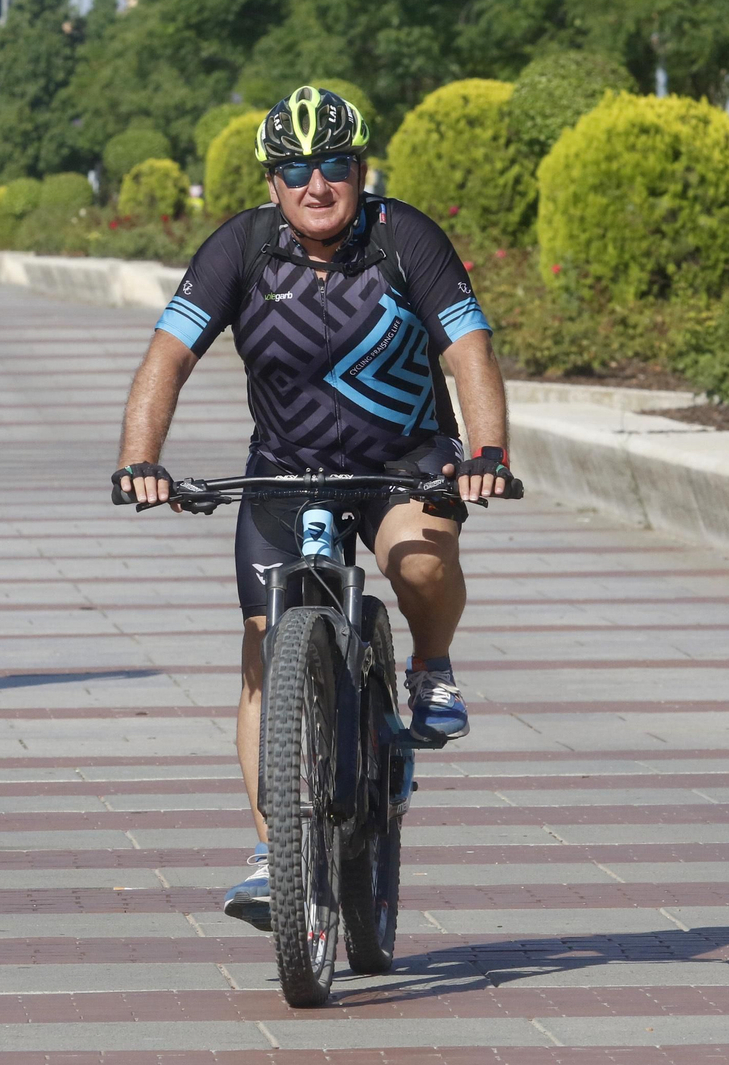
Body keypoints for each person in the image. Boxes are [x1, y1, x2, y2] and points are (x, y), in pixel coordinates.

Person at [113, 86, 519, 928]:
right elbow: (167, 356)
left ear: (360, 170)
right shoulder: (242, 247)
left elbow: (468, 347)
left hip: (402, 460)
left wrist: (485, 453)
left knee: (417, 559)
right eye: (295, 168)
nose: (316, 183)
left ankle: (430, 665)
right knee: (265, 647)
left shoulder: (406, 237)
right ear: (272, 183)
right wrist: (139, 461)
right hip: (286, 469)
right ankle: (273, 855)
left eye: (334, 164)